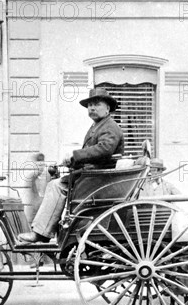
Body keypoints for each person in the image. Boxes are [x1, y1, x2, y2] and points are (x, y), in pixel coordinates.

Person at [18, 88, 124, 243]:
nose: (92, 108)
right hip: (92, 177)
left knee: (55, 186)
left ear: (107, 108)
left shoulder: (109, 127)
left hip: (98, 180)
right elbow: (93, 152)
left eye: (97, 104)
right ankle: (50, 229)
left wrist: (75, 155)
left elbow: (104, 149)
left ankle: (42, 233)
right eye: (90, 105)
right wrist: (72, 161)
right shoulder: (99, 126)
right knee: (57, 183)